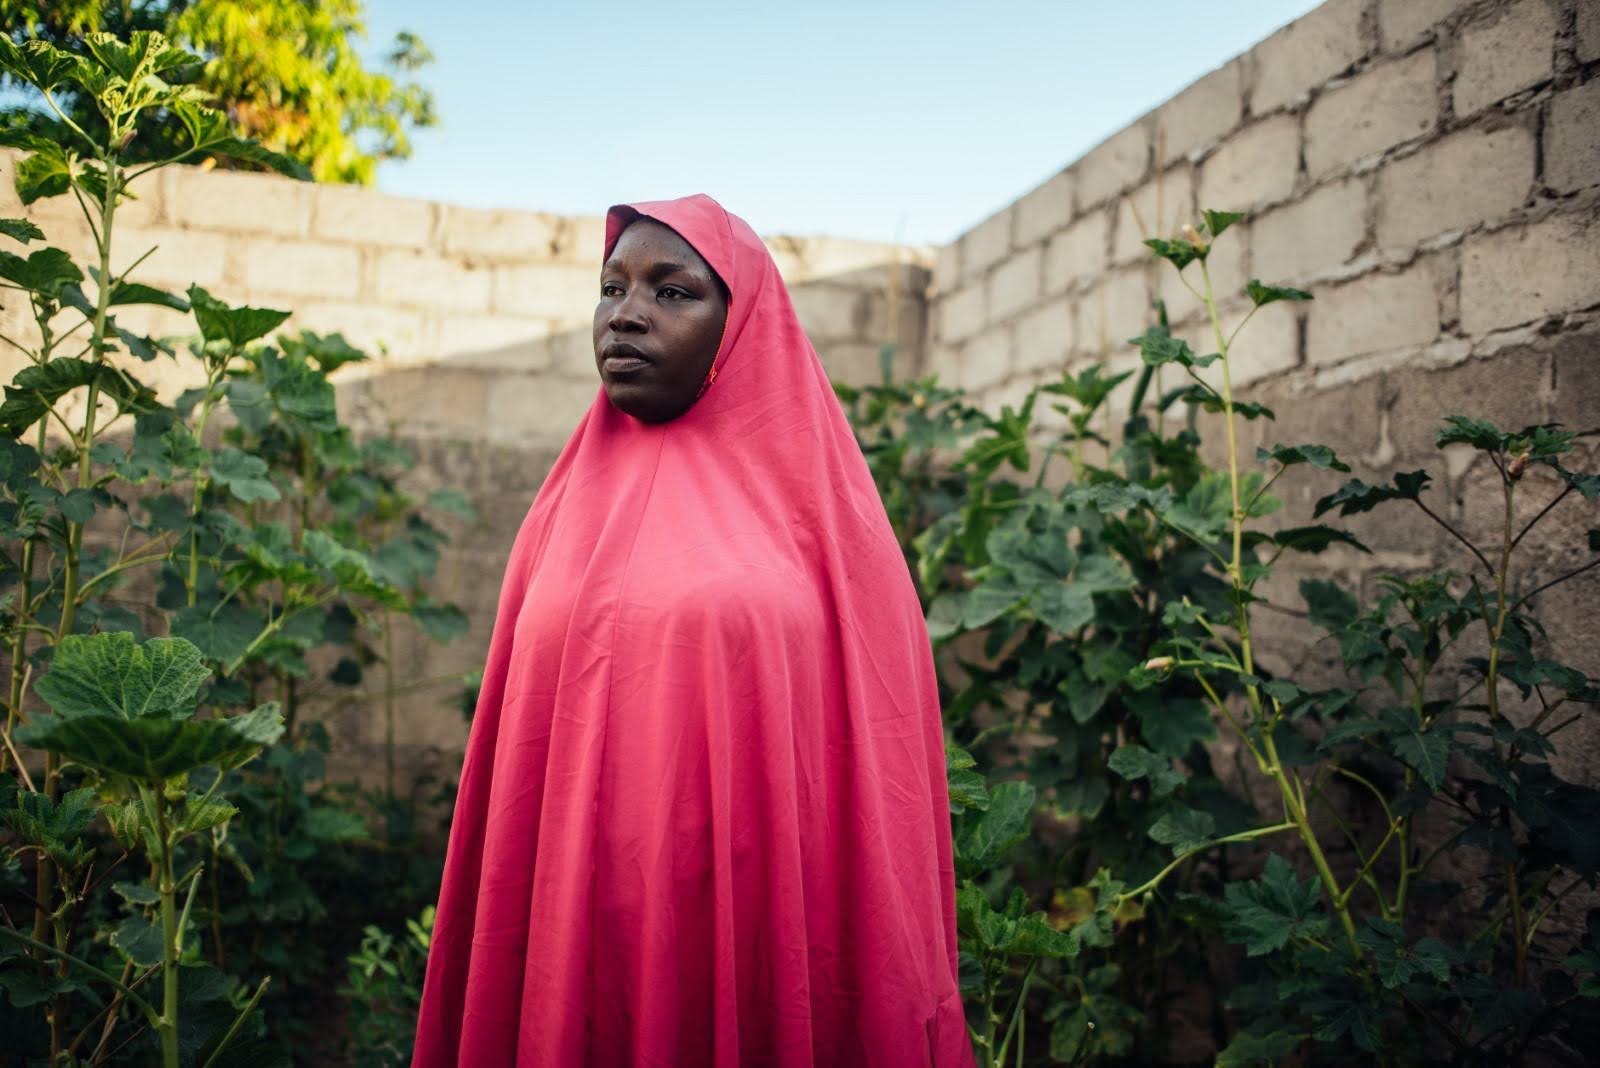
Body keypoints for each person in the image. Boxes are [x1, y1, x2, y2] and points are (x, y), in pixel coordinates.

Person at [412, 194, 973, 1067]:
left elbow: (873, 755)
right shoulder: (560, 514)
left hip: (748, 916)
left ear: (741, 321)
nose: (627, 314)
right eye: (612, 287)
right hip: (579, 912)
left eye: (673, 292)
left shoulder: (821, 517)